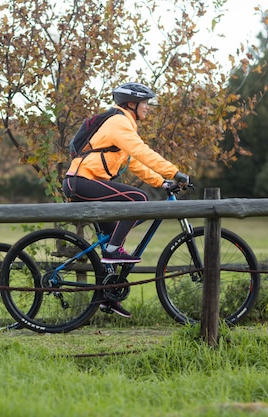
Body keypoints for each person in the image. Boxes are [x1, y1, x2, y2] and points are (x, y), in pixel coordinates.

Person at [62, 82, 189, 317]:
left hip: (86, 183)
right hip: (81, 182)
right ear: (131, 104)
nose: (148, 108)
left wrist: (161, 182)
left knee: (112, 236)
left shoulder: (121, 125)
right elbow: (142, 151)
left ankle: (107, 296)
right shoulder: (119, 123)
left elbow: (136, 163)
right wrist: (174, 172)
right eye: (145, 103)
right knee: (138, 198)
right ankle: (112, 249)